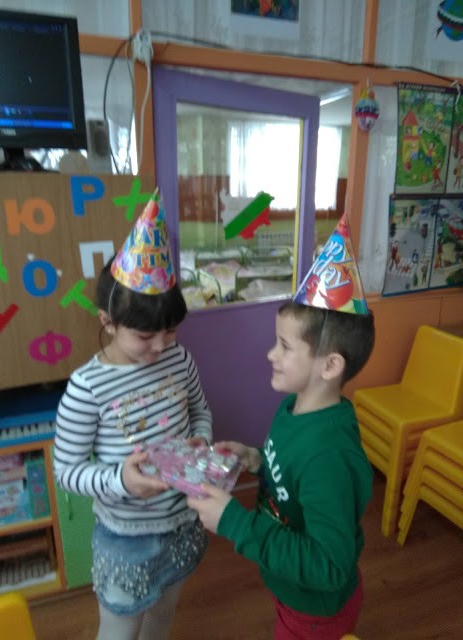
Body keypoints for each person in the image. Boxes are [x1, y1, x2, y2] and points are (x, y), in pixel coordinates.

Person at [188, 215, 375, 640]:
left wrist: (235, 522)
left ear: (330, 365)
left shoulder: (328, 455)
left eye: (285, 346)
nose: (271, 354)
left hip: (315, 612)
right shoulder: (293, 407)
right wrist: (255, 458)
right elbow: (290, 469)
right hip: (292, 591)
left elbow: (329, 566)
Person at [53, 194, 212, 640]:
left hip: (182, 520)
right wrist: (121, 480)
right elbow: (66, 472)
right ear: (107, 321)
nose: (160, 345)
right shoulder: (87, 387)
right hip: (126, 537)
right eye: (144, 335)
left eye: (170, 330)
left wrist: (200, 440)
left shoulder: (179, 358)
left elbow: (200, 410)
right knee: (120, 631)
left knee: (162, 615)